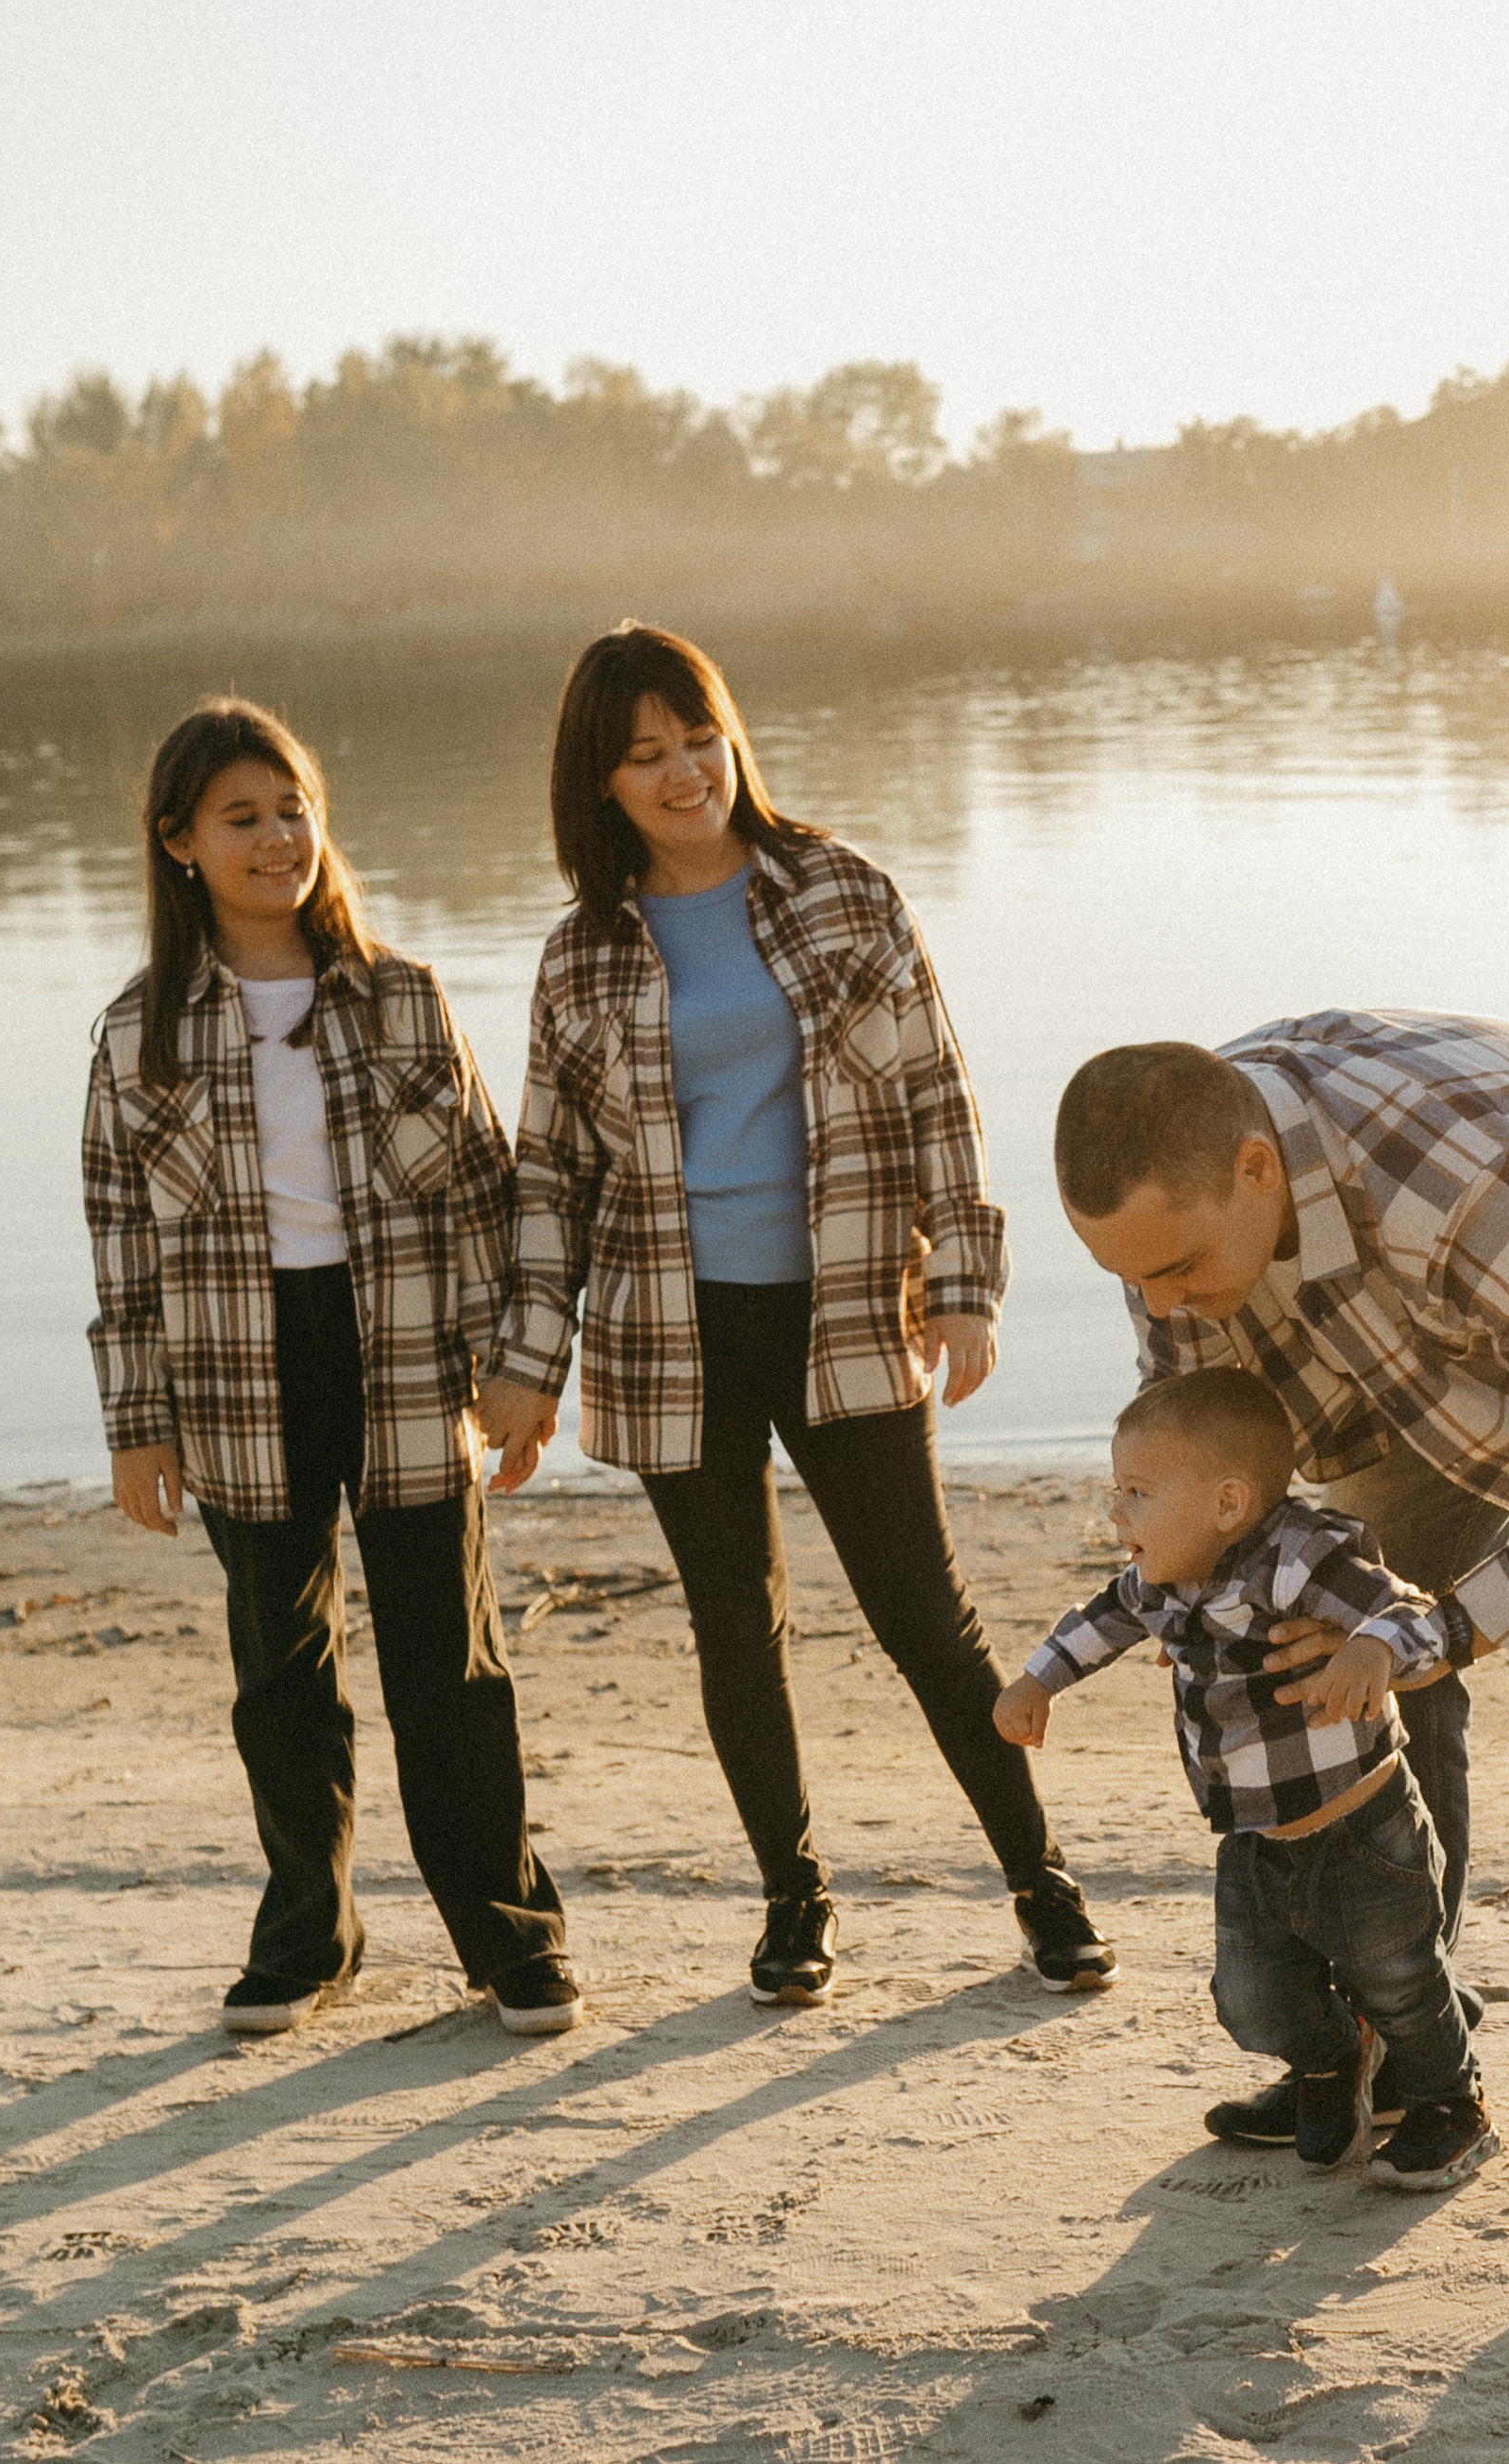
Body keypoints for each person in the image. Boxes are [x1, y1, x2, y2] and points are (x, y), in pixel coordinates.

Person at [1052, 1015, 1509, 2246]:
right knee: (1328, 1657)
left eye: (1177, 1268)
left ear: (1255, 1170)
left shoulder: (1464, 1186)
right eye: (1129, 1279)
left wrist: (1447, 1628)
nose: (1161, 1307)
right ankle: (1409, 2039)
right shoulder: (1191, 1229)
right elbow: (1226, 1480)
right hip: (1420, 1367)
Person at [473, 621, 1115, 2009]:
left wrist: (962, 1289)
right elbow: (550, 1180)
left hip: (843, 1307)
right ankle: (793, 1903)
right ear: (602, 782)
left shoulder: (840, 888)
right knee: (734, 1627)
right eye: (645, 755)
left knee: (922, 1617)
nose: (684, 770)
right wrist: (527, 1367)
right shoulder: (580, 955)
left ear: (730, 735)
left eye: (698, 736)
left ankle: (1041, 1881)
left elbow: (937, 1094)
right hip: (669, 1329)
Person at [83, 699, 578, 2038]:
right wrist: (138, 1424)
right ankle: (309, 1933)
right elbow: (122, 1248)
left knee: (450, 1667)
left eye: (293, 809)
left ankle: (510, 1934)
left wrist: (525, 1372)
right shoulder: (142, 1035)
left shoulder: (401, 996)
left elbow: (496, 1200)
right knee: (280, 1678)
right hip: (239, 1370)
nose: (278, 839)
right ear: (180, 842)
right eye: (242, 818)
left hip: (411, 1353)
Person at [997, 1370, 1497, 2187]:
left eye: (1138, 1492)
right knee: (1251, 1994)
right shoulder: (1165, 1577)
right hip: (1256, 1838)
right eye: (1117, 1489)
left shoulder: (1300, 1557)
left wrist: (1370, 1649)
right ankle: (1334, 2064)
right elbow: (1102, 1619)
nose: (1117, 1512)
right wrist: (1036, 1682)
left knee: (1403, 1979)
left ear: (1228, 1504)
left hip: (1365, 1831)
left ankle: (1452, 2105)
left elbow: (1407, 1610)